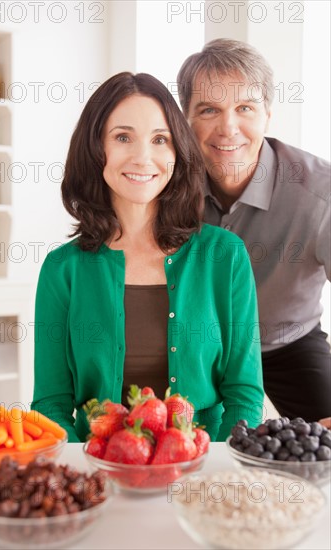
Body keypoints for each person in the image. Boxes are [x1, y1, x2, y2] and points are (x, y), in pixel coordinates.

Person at [31, 72, 264, 443]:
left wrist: (216, 470)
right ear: (95, 150)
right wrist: (85, 475)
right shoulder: (63, 269)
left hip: (203, 468)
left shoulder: (225, 255)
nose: (143, 157)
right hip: (97, 470)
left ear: (176, 153)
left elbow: (244, 393)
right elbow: (51, 404)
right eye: (123, 137)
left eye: (160, 139)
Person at [177, 39, 331, 422]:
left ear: (267, 114)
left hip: (287, 342)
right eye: (209, 110)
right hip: (197, 344)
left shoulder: (322, 193)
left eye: (244, 108)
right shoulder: (163, 184)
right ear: (185, 120)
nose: (228, 128)